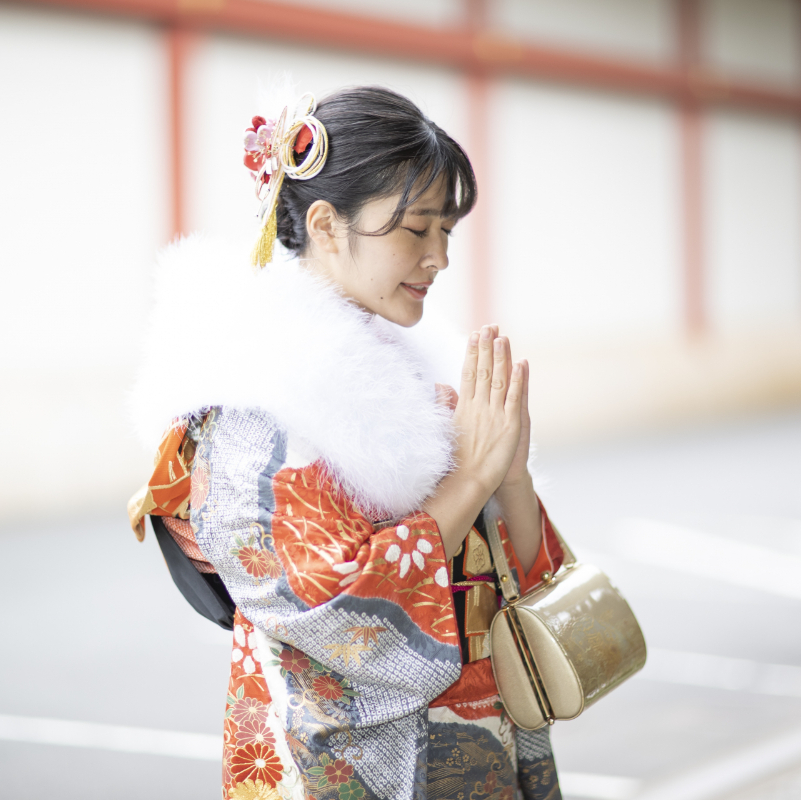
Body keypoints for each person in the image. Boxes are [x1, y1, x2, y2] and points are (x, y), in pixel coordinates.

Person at [129, 86, 566, 800]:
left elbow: (522, 578)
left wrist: (508, 475)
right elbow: (331, 610)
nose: (439, 257)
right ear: (327, 225)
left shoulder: (420, 382)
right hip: (343, 763)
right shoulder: (253, 410)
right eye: (416, 229)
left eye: (447, 232)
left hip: (482, 743)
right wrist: (470, 482)